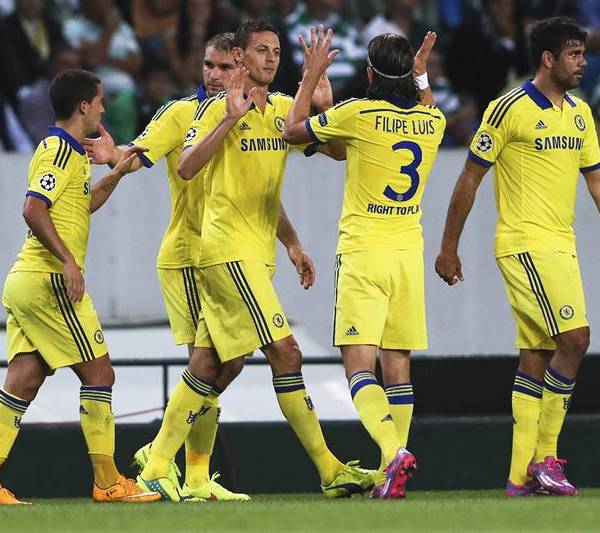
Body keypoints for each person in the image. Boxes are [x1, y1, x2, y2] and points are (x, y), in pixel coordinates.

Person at [135, 20, 373, 500]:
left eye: (276, 52)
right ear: (241, 58)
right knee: (287, 353)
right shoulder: (217, 107)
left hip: (256, 254)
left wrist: (322, 104)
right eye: (261, 50)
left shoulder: (283, 109)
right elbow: (186, 165)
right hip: (227, 251)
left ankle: (158, 462)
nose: (271, 59)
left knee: (213, 363)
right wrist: (227, 120)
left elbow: (338, 151)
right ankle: (329, 470)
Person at [83, 32, 313, 501]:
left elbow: (258, 193)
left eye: (223, 67)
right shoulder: (183, 113)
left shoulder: (258, 113)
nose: (214, 74)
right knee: (208, 363)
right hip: (189, 256)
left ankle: (183, 468)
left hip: (230, 254)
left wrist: (290, 242)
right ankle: (180, 467)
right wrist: (115, 157)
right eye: (208, 65)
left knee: (229, 362)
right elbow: (139, 155)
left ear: (241, 67)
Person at [435, 17, 600, 497]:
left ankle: (518, 477)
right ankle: (546, 458)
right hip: (525, 243)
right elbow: (470, 176)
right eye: (574, 54)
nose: (583, 62)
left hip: (561, 244)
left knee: (537, 355)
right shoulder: (508, 108)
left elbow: (595, 180)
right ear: (548, 59)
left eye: (583, 53)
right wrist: (448, 246)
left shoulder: (581, 113)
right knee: (576, 339)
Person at [282, 28, 444, 498]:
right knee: (398, 367)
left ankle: (393, 454)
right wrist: (422, 76)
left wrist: (311, 77)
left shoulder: (358, 113)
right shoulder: (433, 122)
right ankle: (392, 473)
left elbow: (292, 132)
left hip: (364, 253)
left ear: (370, 72)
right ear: (409, 73)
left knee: (358, 366)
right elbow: (344, 147)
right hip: (407, 255)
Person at [0, 69, 160, 505]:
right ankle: (108, 482)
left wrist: (117, 173)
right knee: (100, 374)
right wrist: (68, 261)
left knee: (24, 380)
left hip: (28, 281)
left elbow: (82, 205)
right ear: (83, 105)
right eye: (100, 100)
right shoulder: (56, 148)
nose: (104, 108)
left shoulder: (72, 153)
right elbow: (33, 208)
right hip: (48, 280)